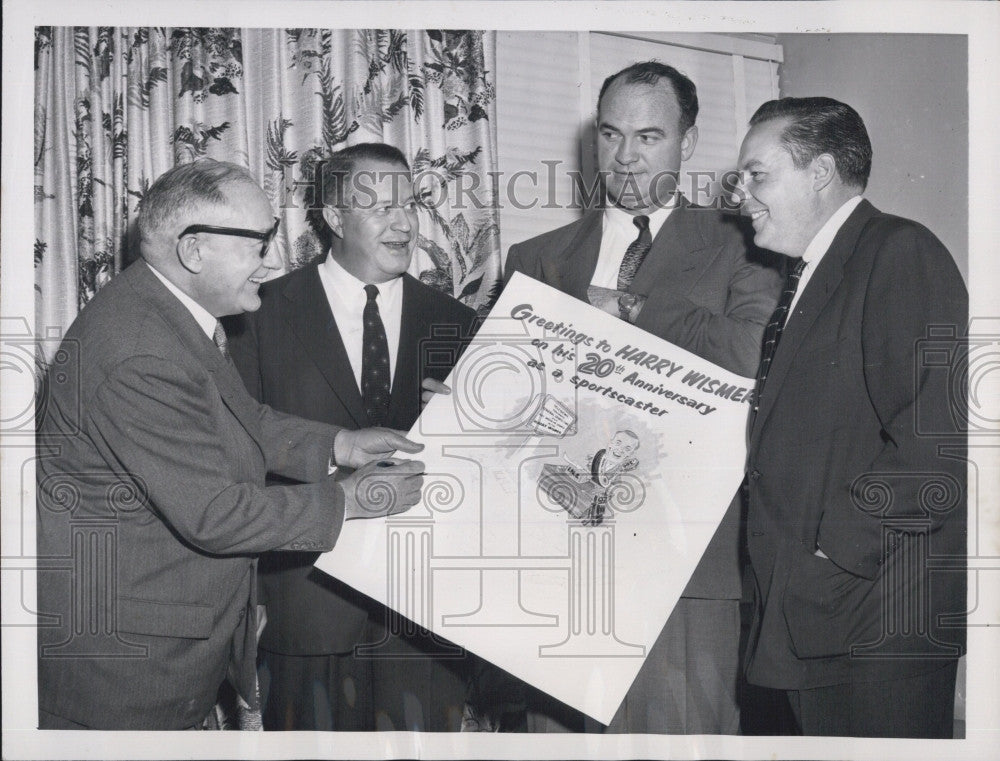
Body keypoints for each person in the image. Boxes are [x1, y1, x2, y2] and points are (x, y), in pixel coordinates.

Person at [34, 159, 425, 730]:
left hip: (157, 641)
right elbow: (216, 515)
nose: (273, 260)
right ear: (193, 251)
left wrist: (340, 444)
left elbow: (245, 422)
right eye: (260, 242)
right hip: (126, 669)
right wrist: (352, 499)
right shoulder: (141, 350)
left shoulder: (165, 312)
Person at [497, 61, 783, 734]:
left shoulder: (748, 243)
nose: (623, 157)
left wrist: (626, 308)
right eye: (610, 134)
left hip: (686, 568)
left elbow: (754, 353)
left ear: (687, 143)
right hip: (560, 566)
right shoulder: (534, 256)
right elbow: (508, 399)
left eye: (648, 137)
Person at [736, 97, 967, 737]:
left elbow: (937, 440)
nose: (742, 194)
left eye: (758, 175)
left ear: (821, 172)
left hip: (872, 625)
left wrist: (829, 554)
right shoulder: (809, 275)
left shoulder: (900, 251)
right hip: (815, 620)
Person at [227, 143, 478, 731]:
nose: (404, 222)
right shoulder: (258, 315)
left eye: (410, 203)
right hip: (304, 607)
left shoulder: (460, 324)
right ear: (334, 219)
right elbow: (238, 457)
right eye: (380, 207)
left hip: (424, 617)